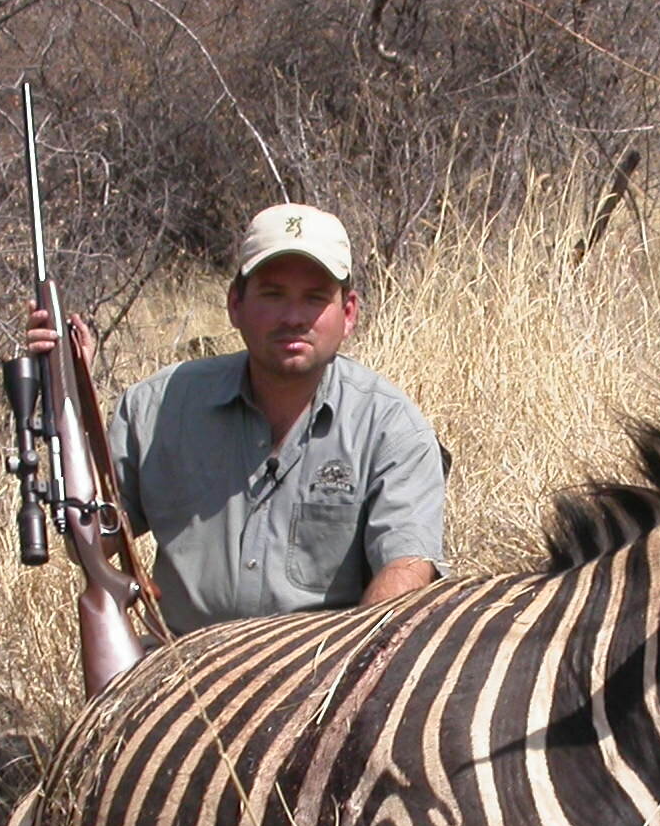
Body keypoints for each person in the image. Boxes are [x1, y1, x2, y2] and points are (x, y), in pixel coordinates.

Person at [28, 203, 444, 634]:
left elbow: (407, 570)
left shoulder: (391, 427)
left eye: (315, 298)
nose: (293, 317)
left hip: (322, 678)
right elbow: (93, 545)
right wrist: (67, 401)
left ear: (349, 313)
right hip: (182, 671)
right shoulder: (154, 407)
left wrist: (348, 675)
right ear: (235, 304)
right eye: (273, 294)